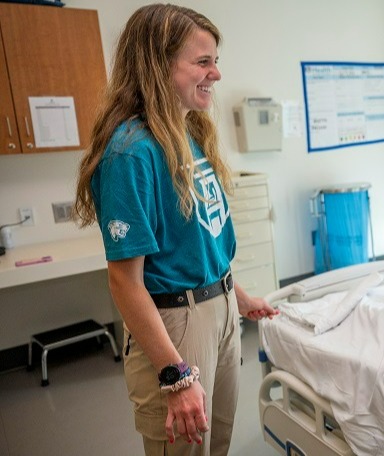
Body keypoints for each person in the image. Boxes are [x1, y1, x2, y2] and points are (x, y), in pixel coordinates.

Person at [74, 4, 279, 455]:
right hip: (177, 325)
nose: (216, 74)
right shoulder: (131, 152)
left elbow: (201, 240)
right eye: (202, 62)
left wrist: (238, 297)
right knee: (186, 449)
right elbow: (124, 282)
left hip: (219, 307)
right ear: (157, 64)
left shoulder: (189, 133)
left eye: (216, 61)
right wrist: (175, 373)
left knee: (217, 441)